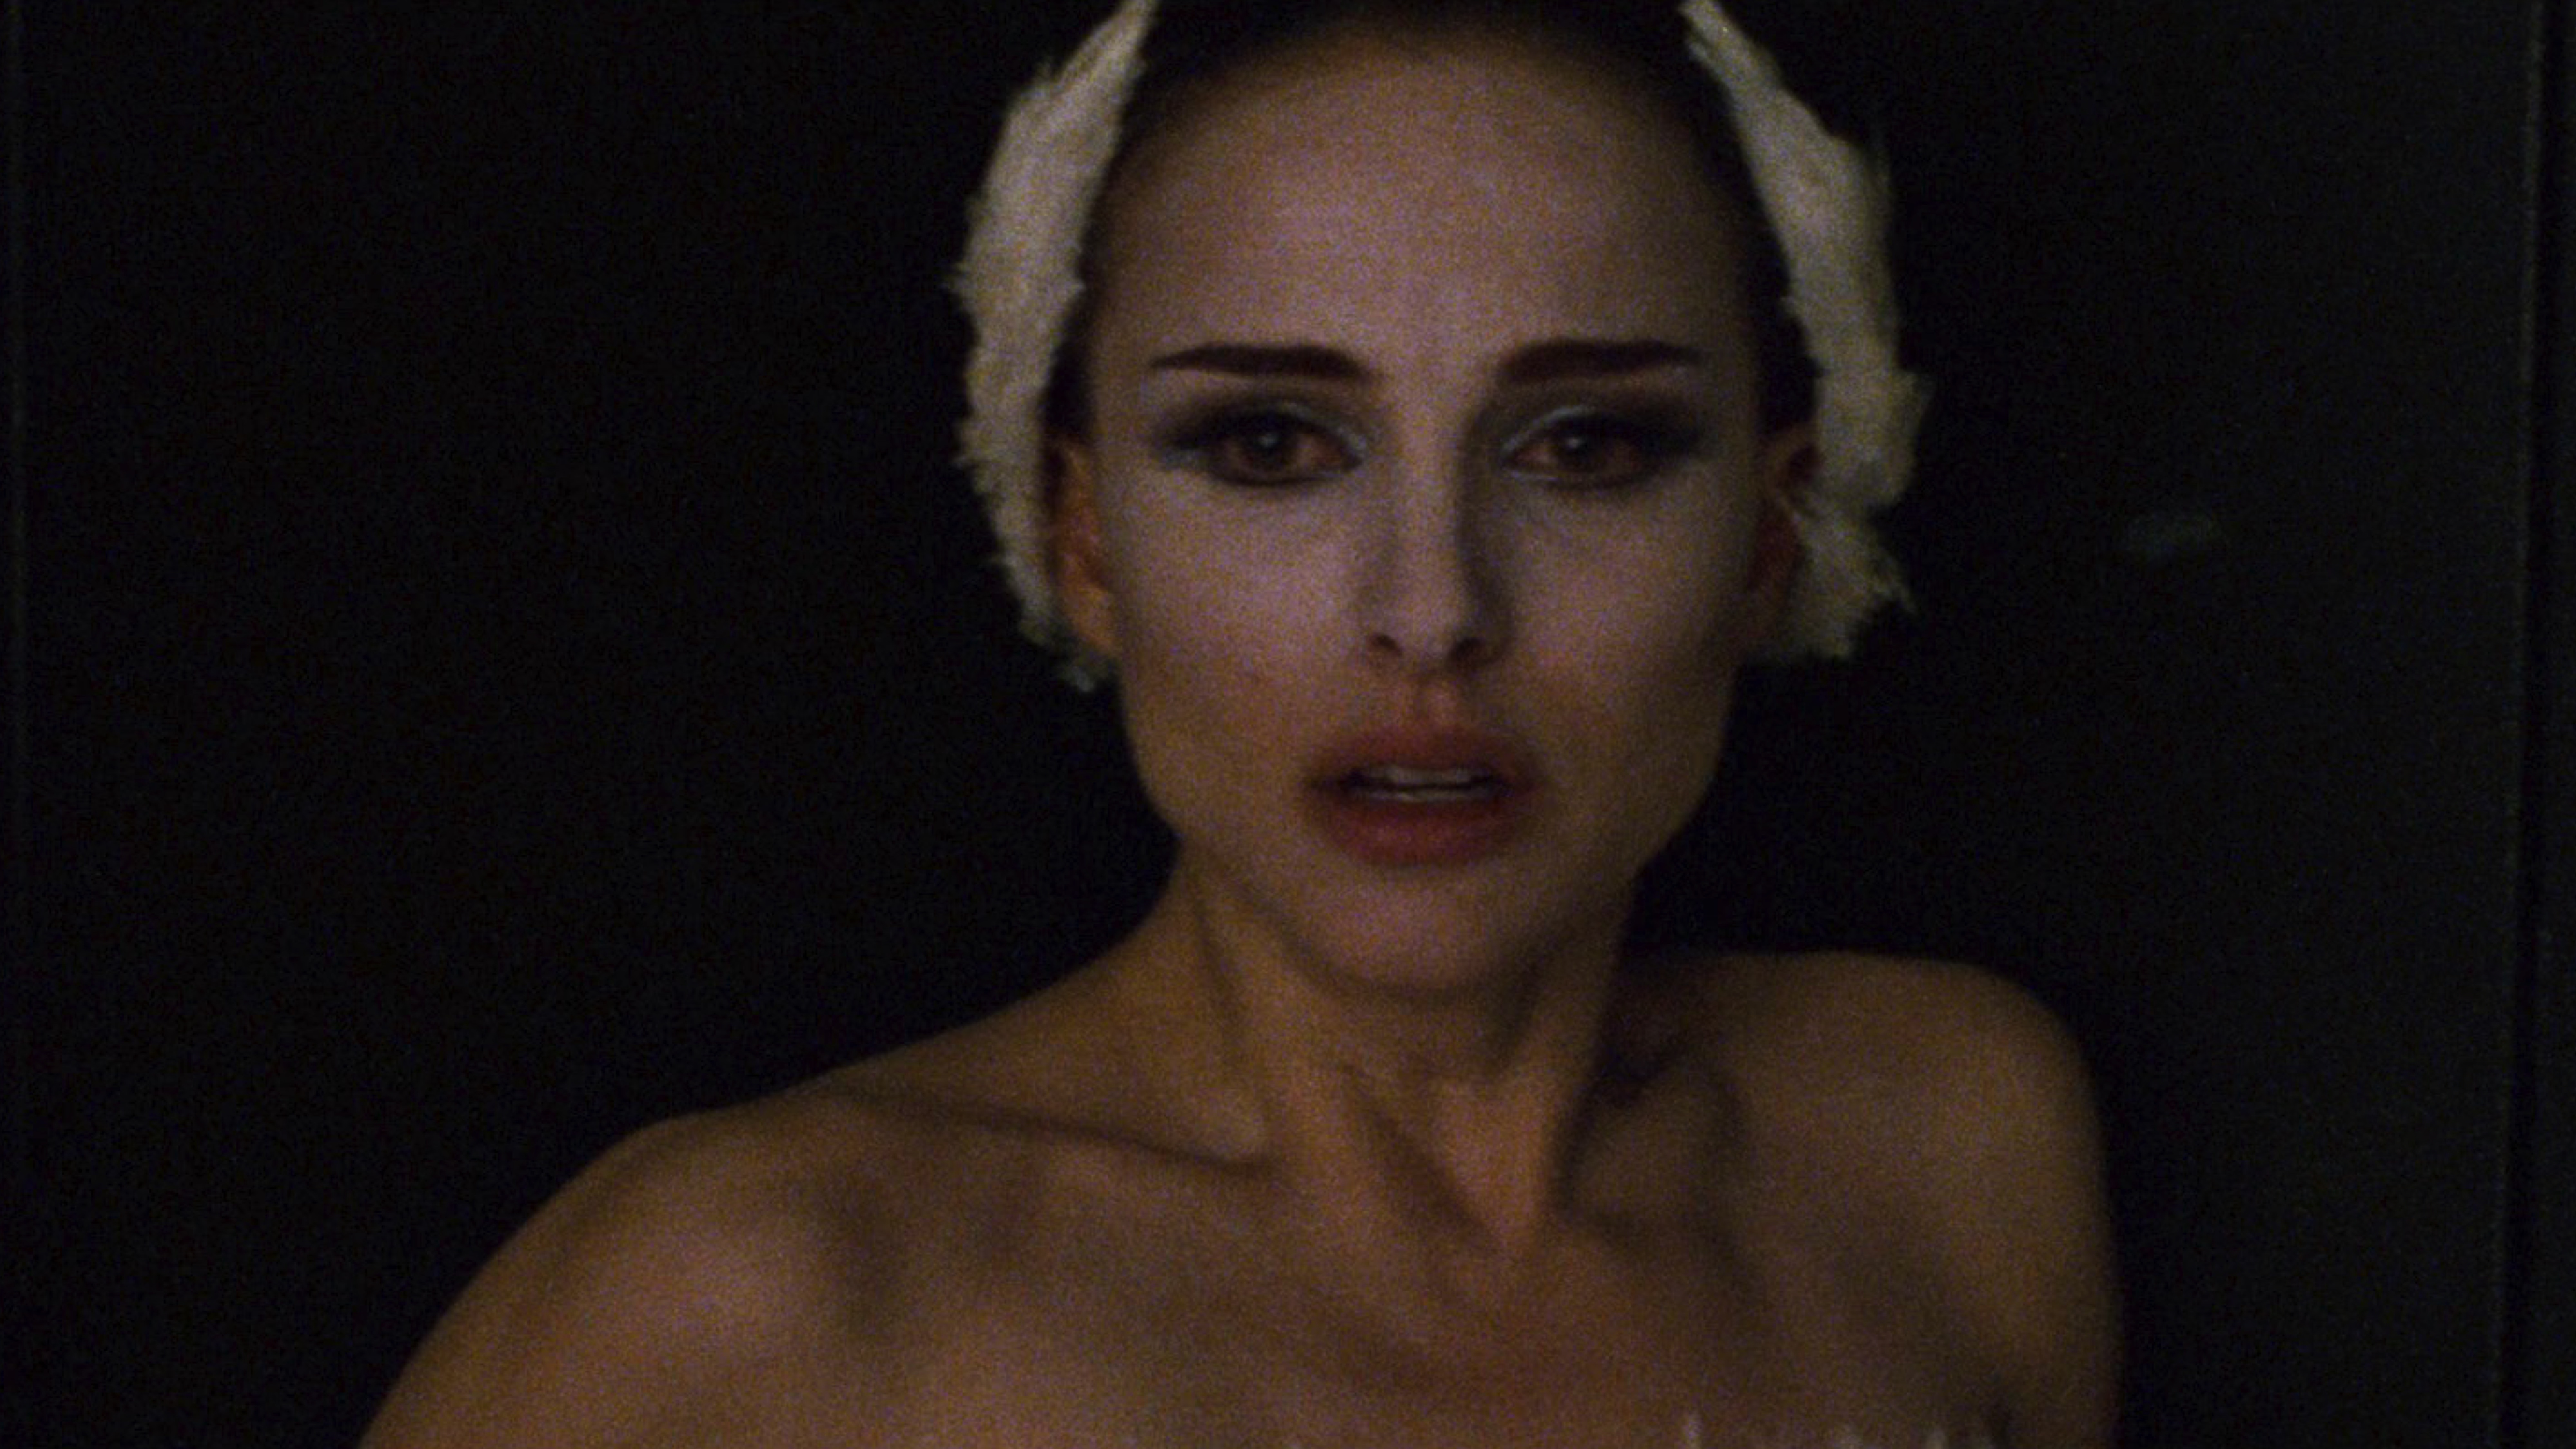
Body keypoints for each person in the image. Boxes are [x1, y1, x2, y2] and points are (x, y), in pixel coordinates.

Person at [361, 1, 2119, 1444]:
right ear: (1081, 540)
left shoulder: (1944, 1149)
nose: (1432, 609)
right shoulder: (753, 1301)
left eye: (1588, 444)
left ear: (1773, 534)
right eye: (1269, 444)